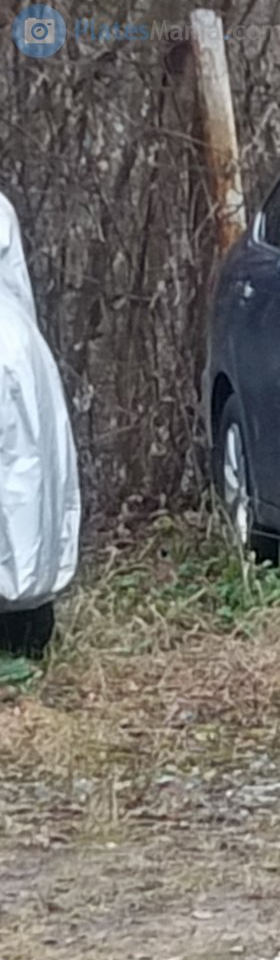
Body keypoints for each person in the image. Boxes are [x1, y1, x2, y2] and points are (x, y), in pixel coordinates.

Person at [0, 190, 80, 656]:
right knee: (24, 485)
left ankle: (21, 631)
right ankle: (26, 630)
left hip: (17, 363)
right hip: (21, 358)